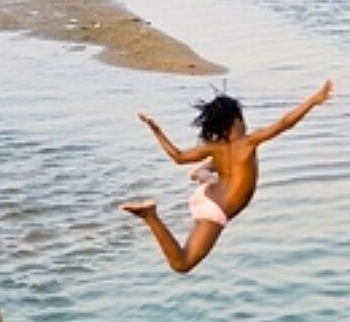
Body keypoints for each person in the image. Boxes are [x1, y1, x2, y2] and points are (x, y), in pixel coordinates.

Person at [121, 80, 334, 273]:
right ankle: (150, 215)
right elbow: (285, 123)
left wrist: (156, 130)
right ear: (236, 119)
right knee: (182, 264)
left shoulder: (214, 147)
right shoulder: (249, 142)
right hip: (217, 209)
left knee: (222, 170)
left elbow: (178, 157)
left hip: (207, 196)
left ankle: (202, 172)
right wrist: (314, 100)